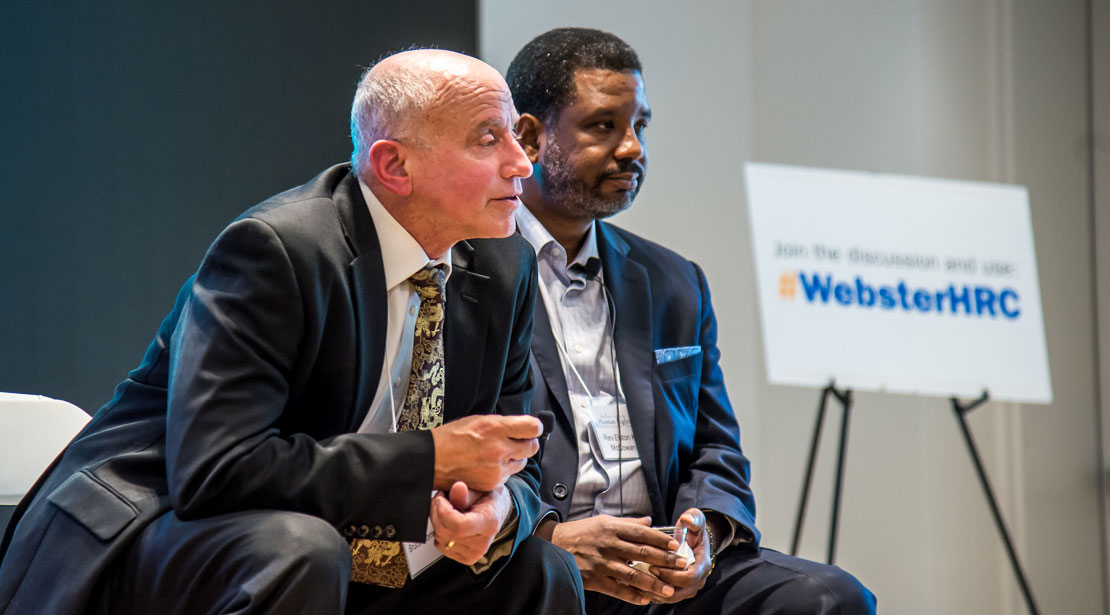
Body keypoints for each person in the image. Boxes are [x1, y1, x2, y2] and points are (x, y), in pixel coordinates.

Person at [0, 49, 584, 615]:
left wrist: (496, 507)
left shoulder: (505, 265)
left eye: (515, 134)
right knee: (299, 549)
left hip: (346, 542)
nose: (521, 162)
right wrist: (428, 461)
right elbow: (216, 471)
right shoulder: (279, 250)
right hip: (160, 530)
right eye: (489, 139)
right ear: (394, 166)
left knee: (537, 570)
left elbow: (514, 452)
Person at [507, 28, 877, 614]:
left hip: (662, 570)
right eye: (603, 126)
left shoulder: (674, 282)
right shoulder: (465, 275)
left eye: (640, 126)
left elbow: (715, 447)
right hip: (537, 565)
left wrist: (705, 527)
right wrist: (547, 539)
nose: (632, 147)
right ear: (529, 136)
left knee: (831, 598)